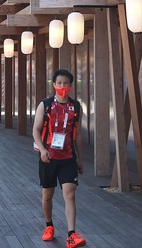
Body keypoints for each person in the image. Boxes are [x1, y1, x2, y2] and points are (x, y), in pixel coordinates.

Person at [32, 69, 86, 248]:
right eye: (59, 83)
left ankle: (71, 235)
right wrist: (41, 150)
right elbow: (36, 130)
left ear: (71, 86)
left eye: (66, 83)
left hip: (68, 157)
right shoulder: (45, 105)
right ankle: (49, 226)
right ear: (54, 85)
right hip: (48, 157)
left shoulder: (76, 107)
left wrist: (80, 158)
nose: (63, 86)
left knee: (70, 194)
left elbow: (77, 134)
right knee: (48, 194)